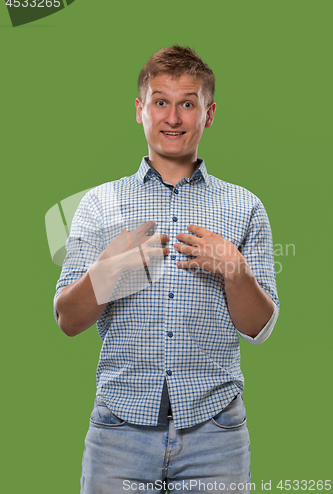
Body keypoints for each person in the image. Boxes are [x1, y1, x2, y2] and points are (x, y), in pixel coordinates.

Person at [54, 45, 279, 494]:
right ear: (140, 110)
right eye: (160, 102)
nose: (172, 117)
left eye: (187, 103)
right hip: (117, 431)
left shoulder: (245, 206)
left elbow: (260, 328)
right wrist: (109, 269)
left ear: (208, 113)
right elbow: (67, 320)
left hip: (217, 433)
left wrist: (235, 271)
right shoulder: (99, 205)